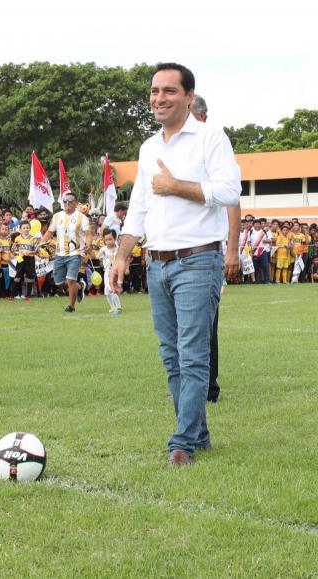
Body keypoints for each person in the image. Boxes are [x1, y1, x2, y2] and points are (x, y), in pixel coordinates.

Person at [111, 63, 240, 466]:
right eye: (154, 91)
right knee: (172, 356)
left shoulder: (209, 137)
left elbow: (230, 189)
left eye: (169, 91)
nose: (159, 98)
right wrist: (121, 255)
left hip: (198, 261)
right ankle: (198, 434)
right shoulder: (150, 148)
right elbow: (139, 207)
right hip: (157, 264)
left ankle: (181, 441)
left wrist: (177, 187)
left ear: (188, 96)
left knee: (193, 355)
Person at [191, 95, 240, 404]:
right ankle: (191, 385)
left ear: (203, 116)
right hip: (175, 252)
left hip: (207, 253)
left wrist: (232, 250)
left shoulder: (214, 147)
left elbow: (233, 201)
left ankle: (209, 387)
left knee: (205, 325)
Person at [44, 191, 92, 312]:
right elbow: (50, 232)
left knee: (71, 280)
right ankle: (80, 287)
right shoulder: (57, 216)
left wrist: (88, 244)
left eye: (70, 201)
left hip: (75, 253)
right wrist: (40, 243)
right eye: (65, 201)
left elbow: (88, 233)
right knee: (59, 282)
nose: (67, 204)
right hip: (59, 254)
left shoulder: (82, 218)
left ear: (76, 203)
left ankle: (71, 306)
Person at [97, 229, 122, 314]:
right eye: (106, 240)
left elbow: (123, 259)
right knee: (107, 291)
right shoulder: (103, 249)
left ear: (115, 238)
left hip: (116, 271)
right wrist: (102, 262)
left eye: (110, 239)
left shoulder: (119, 249)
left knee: (112, 288)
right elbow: (98, 256)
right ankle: (112, 307)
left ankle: (118, 307)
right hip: (107, 271)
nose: (108, 241)